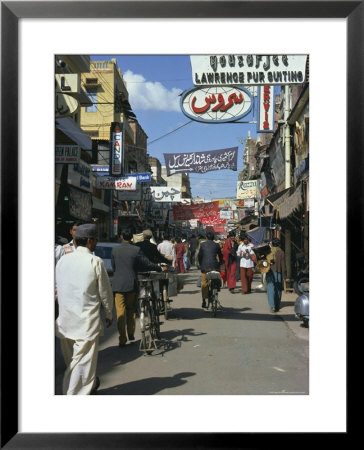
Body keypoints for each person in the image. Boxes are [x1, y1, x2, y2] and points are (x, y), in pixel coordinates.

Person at [55, 223, 113, 395]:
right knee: (81, 366)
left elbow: (57, 289)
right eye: (95, 239)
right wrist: (109, 313)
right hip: (86, 324)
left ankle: (86, 387)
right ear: (89, 241)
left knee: (73, 363)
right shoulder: (94, 261)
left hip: (65, 322)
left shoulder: (63, 261)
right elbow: (105, 292)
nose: (96, 242)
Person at [111, 228, 167, 347]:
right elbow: (147, 263)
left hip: (118, 285)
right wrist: (160, 268)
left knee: (120, 312)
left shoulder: (115, 250)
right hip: (131, 283)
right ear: (132, 237)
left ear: (121, 236)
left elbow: (114, 267)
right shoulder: (136, 250)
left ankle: (122, 339)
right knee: (131, 309)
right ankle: (131, 333)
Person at [197, 231, 223, 308]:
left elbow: (199, 256)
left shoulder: (202, 245)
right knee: (217, 279)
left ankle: (204, 300)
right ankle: (217, 288)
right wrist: (220, 263)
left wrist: (201, 264)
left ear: (206, 238)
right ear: (213, 238)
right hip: (215, 266)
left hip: (205, 267)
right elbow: (220, 255)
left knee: (204, 284)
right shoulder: (216, 245)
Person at [266, 238, 287, 313]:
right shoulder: (281, 252)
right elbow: (283, 265)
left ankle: (272, 306)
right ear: (279, 244)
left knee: (270, 289)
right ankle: (277, 306)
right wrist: (284, 275)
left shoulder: (268, 251)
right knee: (278, 289)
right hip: (278, 273)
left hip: (269, 272)